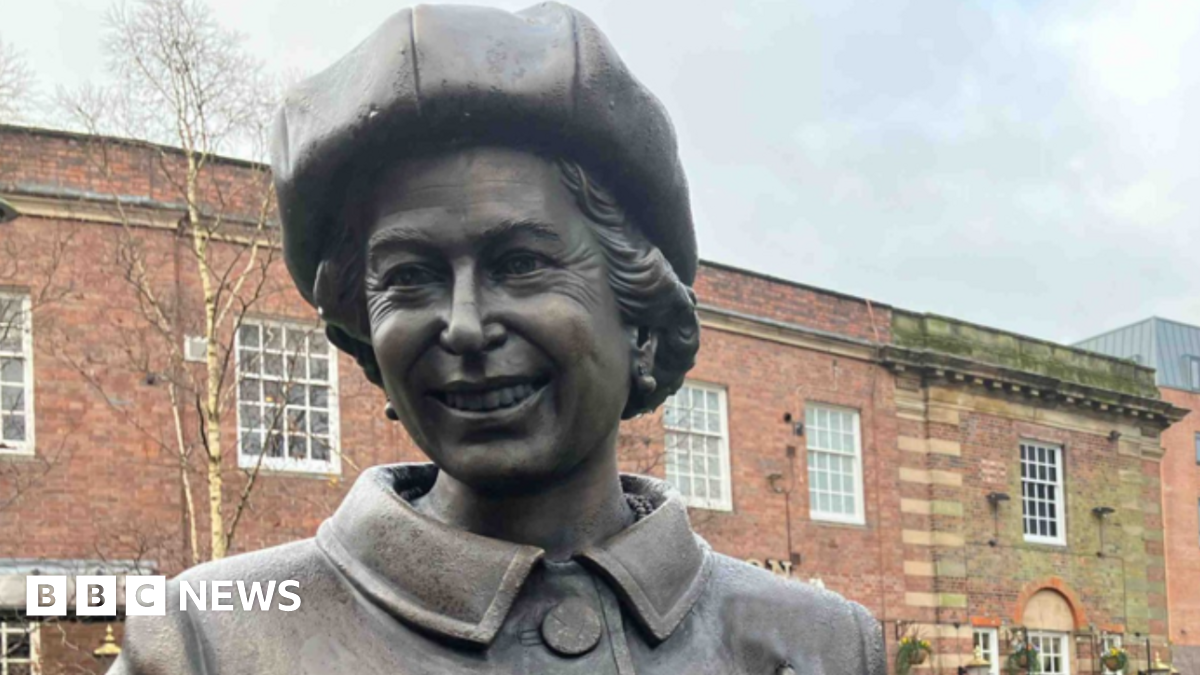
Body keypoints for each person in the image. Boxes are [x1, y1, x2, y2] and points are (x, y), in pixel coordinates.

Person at [110, 4, 886, 674]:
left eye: (521, 263)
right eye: (410, 276)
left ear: (639, 310)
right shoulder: (207, 640)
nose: (466, 324)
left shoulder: (823, 643)